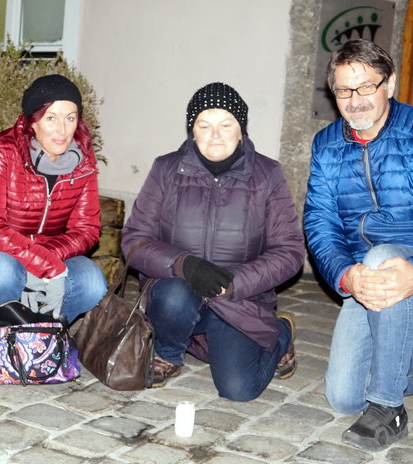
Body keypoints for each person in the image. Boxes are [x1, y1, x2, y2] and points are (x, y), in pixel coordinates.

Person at [304, 39, 413, 451]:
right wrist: (347, 275)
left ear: (390, 84)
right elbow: (320, 224)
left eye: (367, 86)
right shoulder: (327, 145)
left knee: (385, 256)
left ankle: (389, 408)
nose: (356, 100)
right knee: (345, 397)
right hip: (368, 276)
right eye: (345, 90)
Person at [121, 82, 305, 401]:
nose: (215, 135)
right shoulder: (166, 169)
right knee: (175, 295)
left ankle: (280, 333)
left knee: (238, 389)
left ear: (241, 130)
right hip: (177, 292)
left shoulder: (268, 174)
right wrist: (185, 265)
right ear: (192, 130)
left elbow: (289, 251)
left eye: (226, 125)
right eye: (204, 125)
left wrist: (236, 281)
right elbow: (135, 240)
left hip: (238, 299)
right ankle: (167, 352)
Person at [0, 74, 108, 364]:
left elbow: (87, 229)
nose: (62, 129)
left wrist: (46, 258)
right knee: (2, 270)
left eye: (70, 118)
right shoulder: (1, 151)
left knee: (91, 281)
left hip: (45, 264)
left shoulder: (83, 161)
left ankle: (35, 333)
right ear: (32, 120)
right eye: (51, 118)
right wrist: (40, 263)